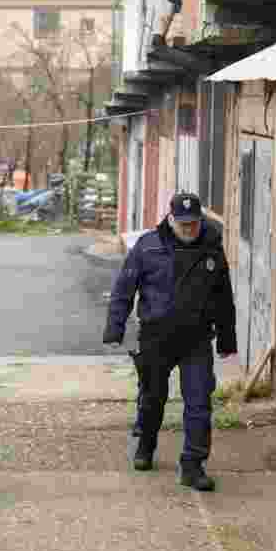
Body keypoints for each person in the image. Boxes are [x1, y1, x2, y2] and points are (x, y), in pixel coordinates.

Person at [103, 192, 237, 491]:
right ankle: (146, 443)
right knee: (152, 399)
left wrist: (227, 339)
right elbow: (124, 288)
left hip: (196, 340)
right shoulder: (148, 246)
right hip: (156, 338)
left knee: (199, 402)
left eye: (194, 224)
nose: (189, 229)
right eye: (183, 224)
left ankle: (193, 465)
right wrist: (114, 329)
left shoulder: (211, 248)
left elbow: (223, 297)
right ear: (171, 219)